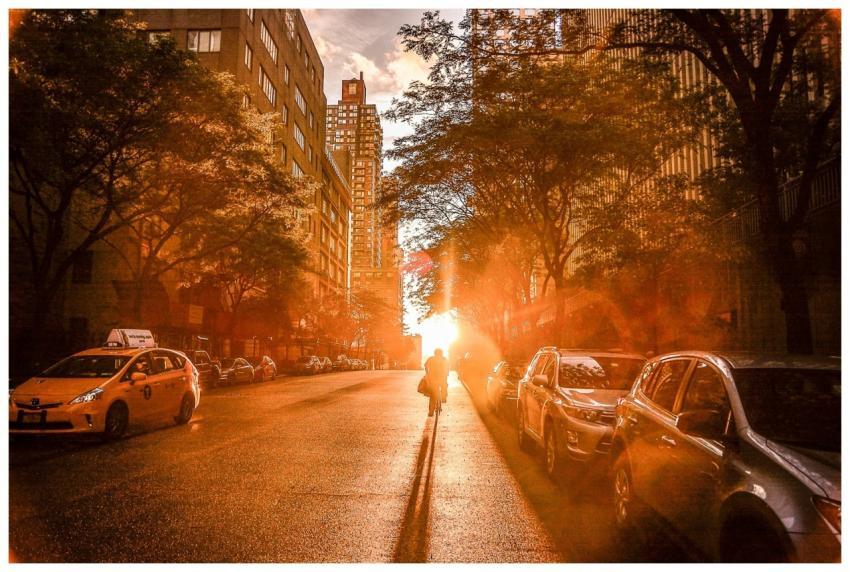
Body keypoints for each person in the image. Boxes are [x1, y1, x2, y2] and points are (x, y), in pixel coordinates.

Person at [424, 348, 449, 417]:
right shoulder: (444, 359)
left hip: (433, 378)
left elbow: (425, 365)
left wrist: (427, 373)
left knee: (432, 394)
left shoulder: (431, 358)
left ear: (434, 353)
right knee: (445, 386)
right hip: (442, 378)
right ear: (441, 353)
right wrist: (446, 374)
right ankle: (443, 398)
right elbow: (447, 368)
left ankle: (431, 412)